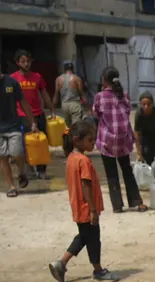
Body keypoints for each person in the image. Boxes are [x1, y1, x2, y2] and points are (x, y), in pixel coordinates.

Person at [48, 121, 120, 282]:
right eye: (89, 140)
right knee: (93, 239)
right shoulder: (83, 161)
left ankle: (61, 263)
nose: (92, 143)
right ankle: (98, 270)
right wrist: (93, 210)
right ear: (76, 140)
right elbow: (86, 185)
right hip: (87, 208)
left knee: (84, 236)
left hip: (78, 206)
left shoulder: (71, 158)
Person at [91, 67, 146, 213]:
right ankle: (136, 201)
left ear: (103, 80)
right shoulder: (125, 95)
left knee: (111, 173)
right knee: (127, 170)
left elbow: (96, 114)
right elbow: (127, 112)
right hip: (123, 139)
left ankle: (117, 205)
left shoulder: (99, 96)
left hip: (107, 140)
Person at [12, 50, 55, 179]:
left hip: (39, 113)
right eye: (23, 61)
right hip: (21, 115)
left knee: (42, 142)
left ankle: (42, 170)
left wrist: (52, 109)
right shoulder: (13, 78)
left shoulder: (37, 77)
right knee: (25, 143)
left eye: (28, 61)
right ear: (17, 63)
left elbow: (45, 94)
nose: (26, 64)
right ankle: (29, 168)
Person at [1, 65, 34, 197]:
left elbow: (23, 102)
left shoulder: (11, 82)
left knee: (17, 153)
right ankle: (11, 186)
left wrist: (32, 122)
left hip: (13, 125)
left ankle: (21, 172)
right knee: (2, 158)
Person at [54, 61, 91, 129]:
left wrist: (53, 110)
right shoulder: (77, 79)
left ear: (64, 68)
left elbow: (56, 95)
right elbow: (82, 94)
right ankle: (75, 138)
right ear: (73, 68)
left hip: (64, 105)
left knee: (67, 126)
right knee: (76, 126)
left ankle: (68, 139)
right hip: (75, 104)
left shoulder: (58, 79)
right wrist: (89, 108)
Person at [133, 92, 155, 165]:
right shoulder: (139, 114)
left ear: (152, 104)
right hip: (144, 135)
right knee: (146, 155)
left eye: (148, 104)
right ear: (141, 104)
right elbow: (137, 135)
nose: (146, 107)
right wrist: (139, 154)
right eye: (144, 104)